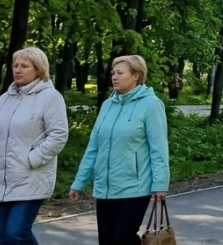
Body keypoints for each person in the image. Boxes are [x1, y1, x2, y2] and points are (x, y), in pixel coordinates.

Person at [70, 55, 171, 245]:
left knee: (123, 237)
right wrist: (79, 182)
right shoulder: (107, 105)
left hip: (135, 186)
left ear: (136, 76)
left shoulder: (151, 104)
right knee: (106, 240)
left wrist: (160, 183)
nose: (114, 77)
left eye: (120, 73)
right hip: (105, 187)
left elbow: (159, 148)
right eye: (113, 73)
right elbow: (93, 148)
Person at [0, 47, 69, 245]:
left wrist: (31, 159)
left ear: (39, 69)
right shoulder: (5, 98)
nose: (17, 70)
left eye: (24, 66)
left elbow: (59, 135)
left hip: (30, 178)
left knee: (16, 233)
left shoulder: (50, 97)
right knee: (2, 237)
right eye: (15, 65)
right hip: (0, 180)